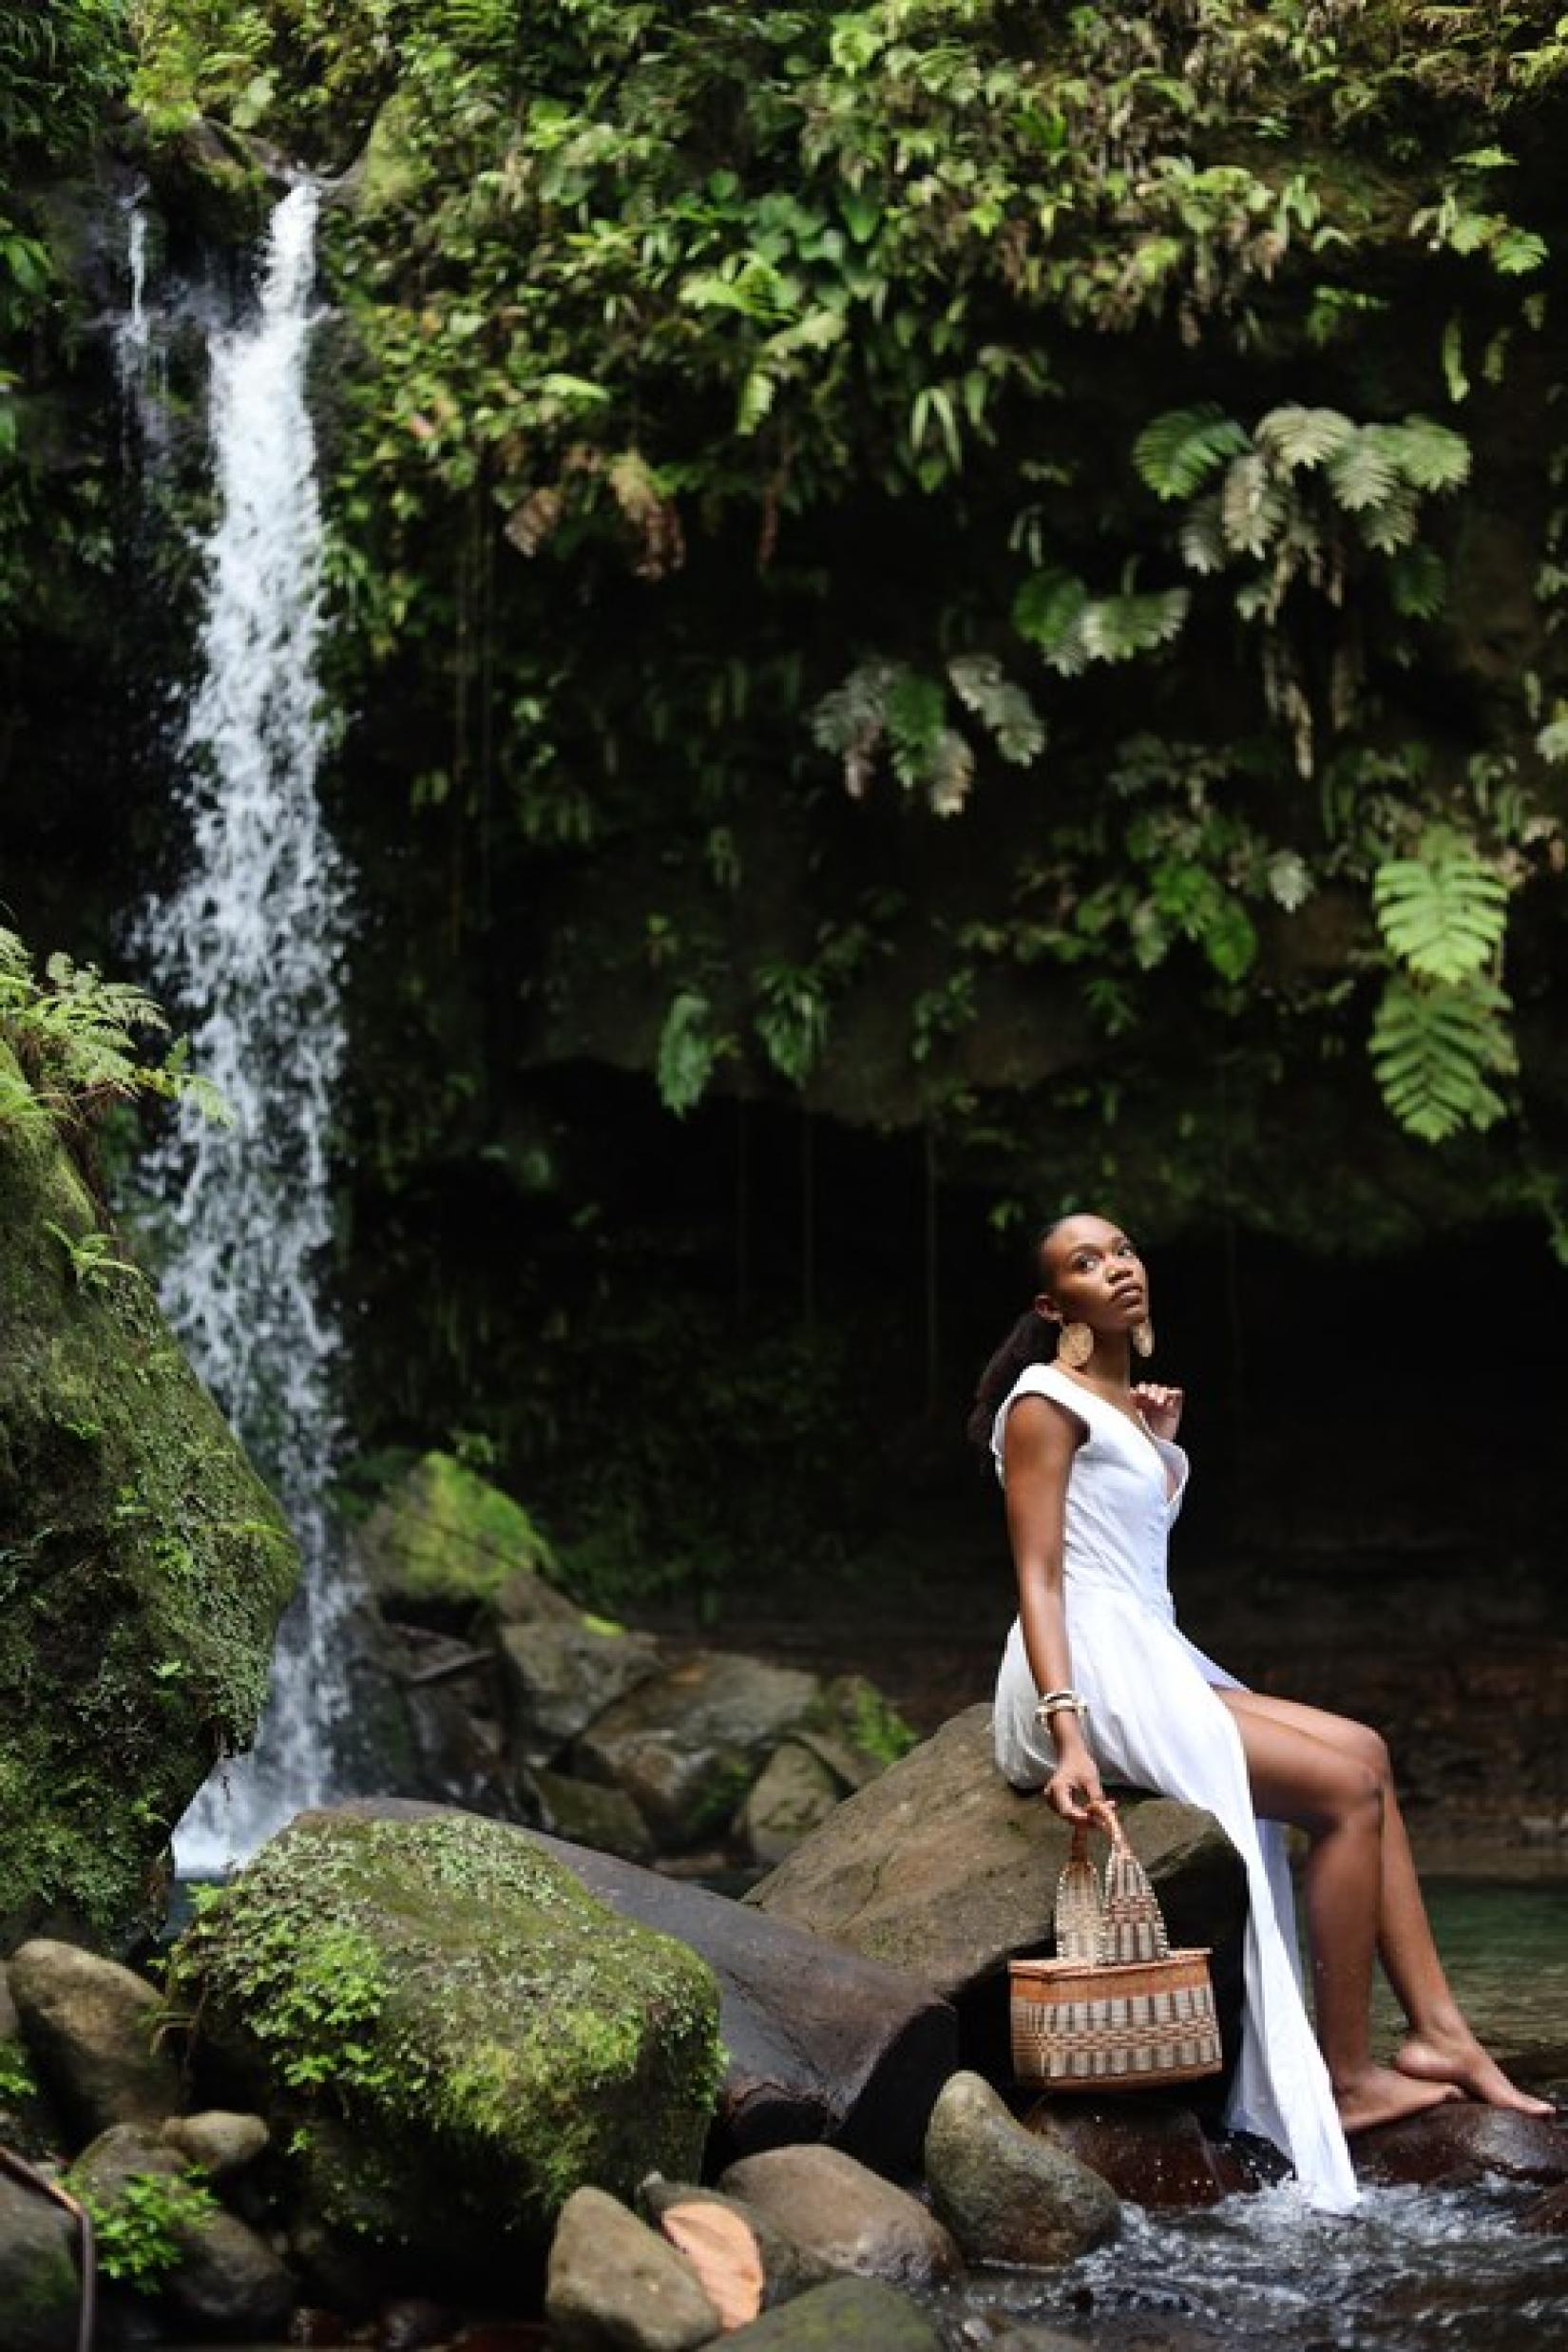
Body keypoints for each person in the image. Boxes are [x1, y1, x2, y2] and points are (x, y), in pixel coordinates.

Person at [972, 1210, 1551, 2213]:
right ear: (1050, 1304)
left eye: (1120, 1251)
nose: (1115, 1270)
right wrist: (1066, 1730)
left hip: (1148, 1648)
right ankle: (1343, 2071)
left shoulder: (1121, 1403)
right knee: (1338, 1791)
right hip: (1087, 1667)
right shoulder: (1042, 1402)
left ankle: (1439, 2030)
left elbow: (1121, 1538)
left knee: (1365, 1751)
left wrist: (1159, 1446)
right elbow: (1041, 1574)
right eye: (1085, 1263)